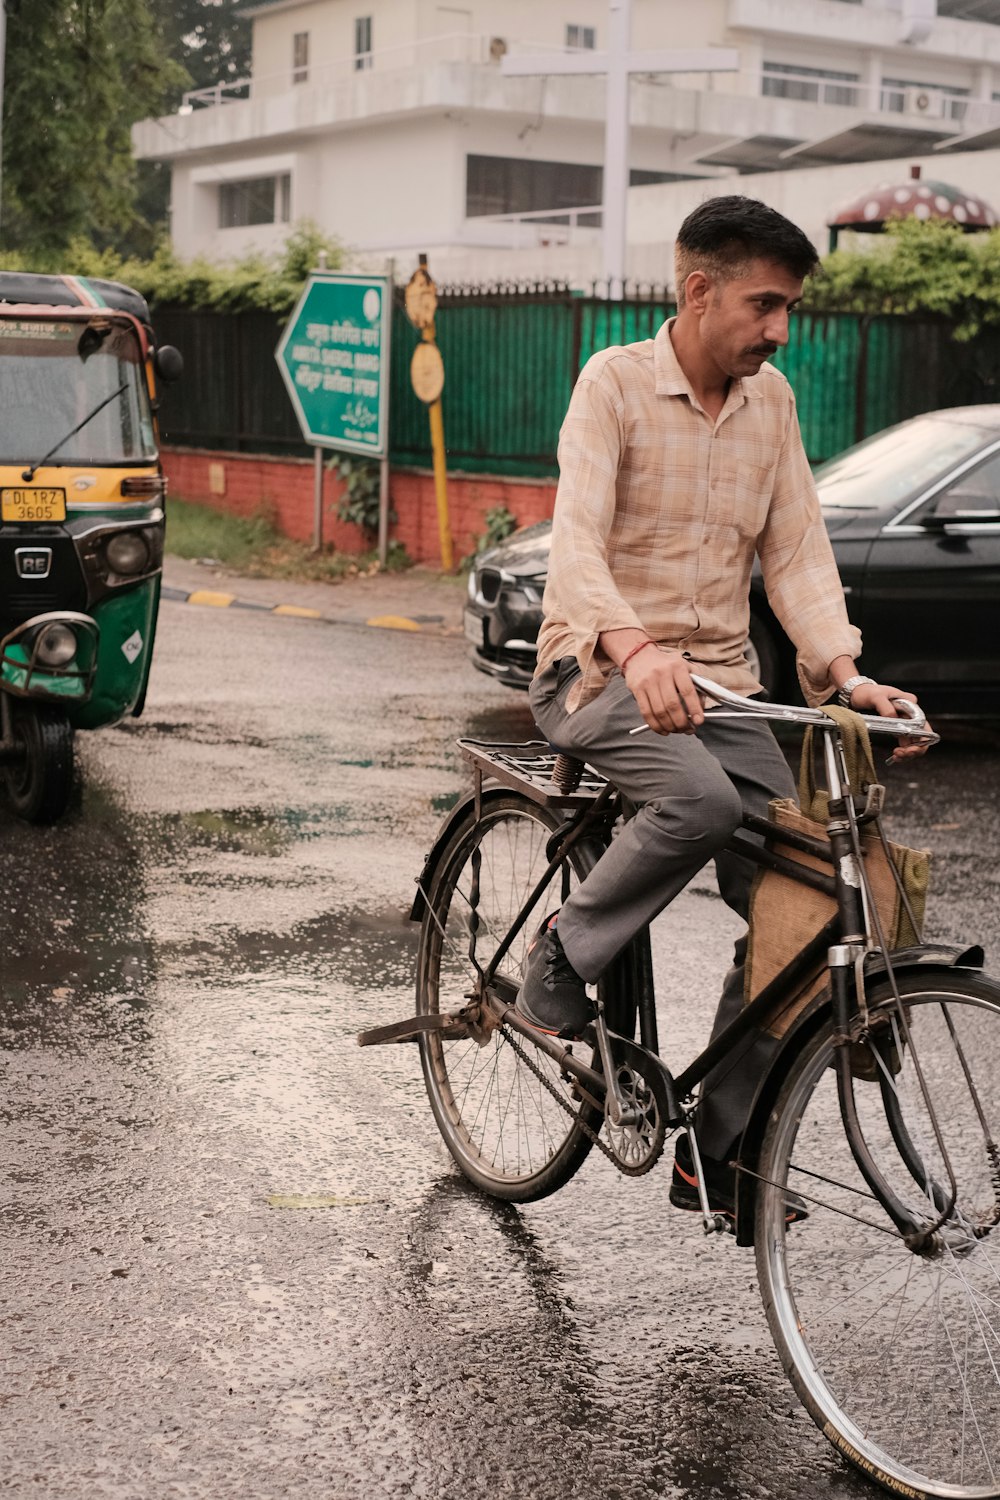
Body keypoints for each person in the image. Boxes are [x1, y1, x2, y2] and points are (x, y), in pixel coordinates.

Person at [519, 195, 928, 1219]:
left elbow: (794, 554)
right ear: (698, 290)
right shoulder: (611, 385)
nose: (779, 328)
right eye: (764, 304)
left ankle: (719, 1146)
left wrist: (842, 673)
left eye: (786, 309)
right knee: (698, 803)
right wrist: (633, 644)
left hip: (722, 692)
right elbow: (575, 546)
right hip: (597, 672)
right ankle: (563, 955)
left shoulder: (773, 405)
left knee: (810, 898)